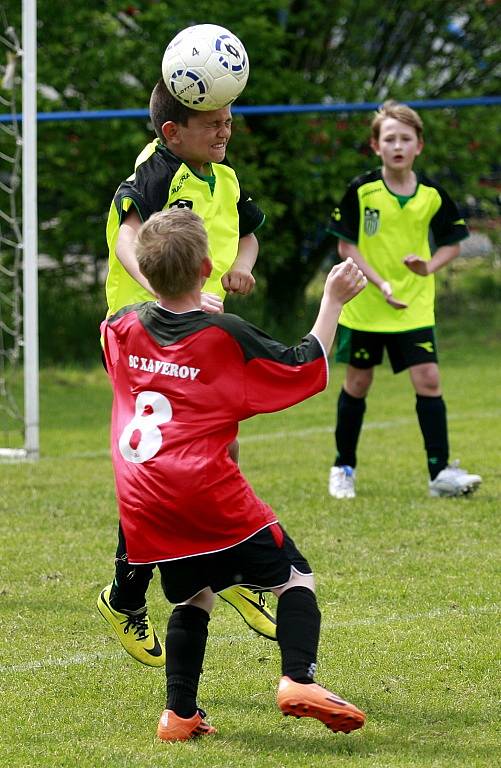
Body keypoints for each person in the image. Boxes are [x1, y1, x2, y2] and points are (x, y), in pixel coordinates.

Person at [101, 206, 367, 741]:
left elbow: (139, 347)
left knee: (192, 594)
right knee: (294, 576)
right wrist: (332, 300)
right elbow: (302, 366)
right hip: (202, 488)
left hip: (142, 494)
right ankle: (298, 679)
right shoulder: (223, 334)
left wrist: (186, 311)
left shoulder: (121, 326)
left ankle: (180, 716)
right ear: (206, 268)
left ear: (145, 272)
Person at [97, 78, 276, 668]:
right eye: (213, 122)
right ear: (174, 130)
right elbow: (127, 236)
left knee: (198, 454)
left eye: (229, 118)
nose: (226, 129)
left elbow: (246, 235)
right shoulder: (156, 168)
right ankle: (227, 573)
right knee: (170, 464)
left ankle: (140, 592)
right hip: (142, 330)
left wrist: (241, 270)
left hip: (192, 329)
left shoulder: (223, 177)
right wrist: (162, 294)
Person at [326, 99, 482, 500]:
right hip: (367, 305)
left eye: (405, 138)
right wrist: (380, 284)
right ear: (376, 146)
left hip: (412, 306)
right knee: (358, 383)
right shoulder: (361, 190)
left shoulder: (431, 196)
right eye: (389, 138)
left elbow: (453, 244)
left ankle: (440, 474)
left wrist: (427, 268)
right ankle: (343, 466)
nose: (397, 145)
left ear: (419, 146)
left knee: (428, 379)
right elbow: (347, 247)